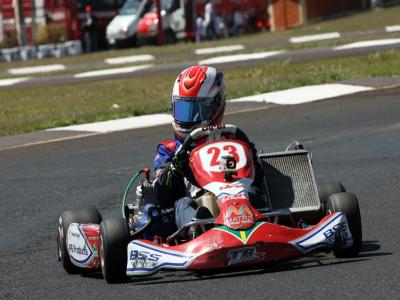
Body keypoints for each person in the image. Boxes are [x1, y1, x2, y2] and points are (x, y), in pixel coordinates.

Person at [151, 65, 266, 237]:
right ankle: (197, 228)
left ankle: (263, 221)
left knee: (254, 193)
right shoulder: (170, 149)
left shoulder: (233, 138)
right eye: (183, 110)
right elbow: (160, 193)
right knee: (183, 204)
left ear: (215, 106)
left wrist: (251, 158)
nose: (187, 119)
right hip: (197, 203)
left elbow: (258, 180)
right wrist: (174, 169)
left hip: (237, 196)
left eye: (196, 112)